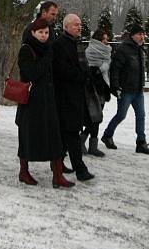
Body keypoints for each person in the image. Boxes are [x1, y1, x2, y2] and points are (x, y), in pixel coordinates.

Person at [16, 18, 71, 188]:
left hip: (49, 101)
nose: (44, 36)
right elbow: (32, 73)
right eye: (40, 32)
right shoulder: (26, 49)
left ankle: (57, 175)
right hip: (31, 103)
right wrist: (47, 58)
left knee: (55, 138)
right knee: (27, 137)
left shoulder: (50, 49)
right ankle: (23, 172)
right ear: (33, 32)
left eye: (46, 32)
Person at [101, 24, 149, 155]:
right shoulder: (123, 49)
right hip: (126, 90)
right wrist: (115, 86)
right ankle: (107, 135)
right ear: (132, 36)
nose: (142, 36)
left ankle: (141, 142)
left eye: (143, 34)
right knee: (121, 115)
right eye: (139, 34)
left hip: (138, 90)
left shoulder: (140, 49)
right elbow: (115, 69)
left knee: (141, 115)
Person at [52, 14, 94, 182]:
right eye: (76, 24)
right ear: (66, 26)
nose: (79, 27)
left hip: (76, 95)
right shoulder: (60, 45)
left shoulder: (76, 43)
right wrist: (81, 75)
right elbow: (62, 70)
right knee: (71, 134)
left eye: (80, 24)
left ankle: (58, 163)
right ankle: (80, 169)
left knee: (66, 134)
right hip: (66, 97)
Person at [82, 29, 111, 157]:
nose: (106, 42)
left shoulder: (106, 54)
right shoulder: (90, 52)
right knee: (94, 118)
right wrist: (100, 68)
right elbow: (89, 71)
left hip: (102, 89)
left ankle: (86, 142)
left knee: (96, 118)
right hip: (92, 90)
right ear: (98, 40)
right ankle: (85, 142)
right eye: (104, 39)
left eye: (107, 39)